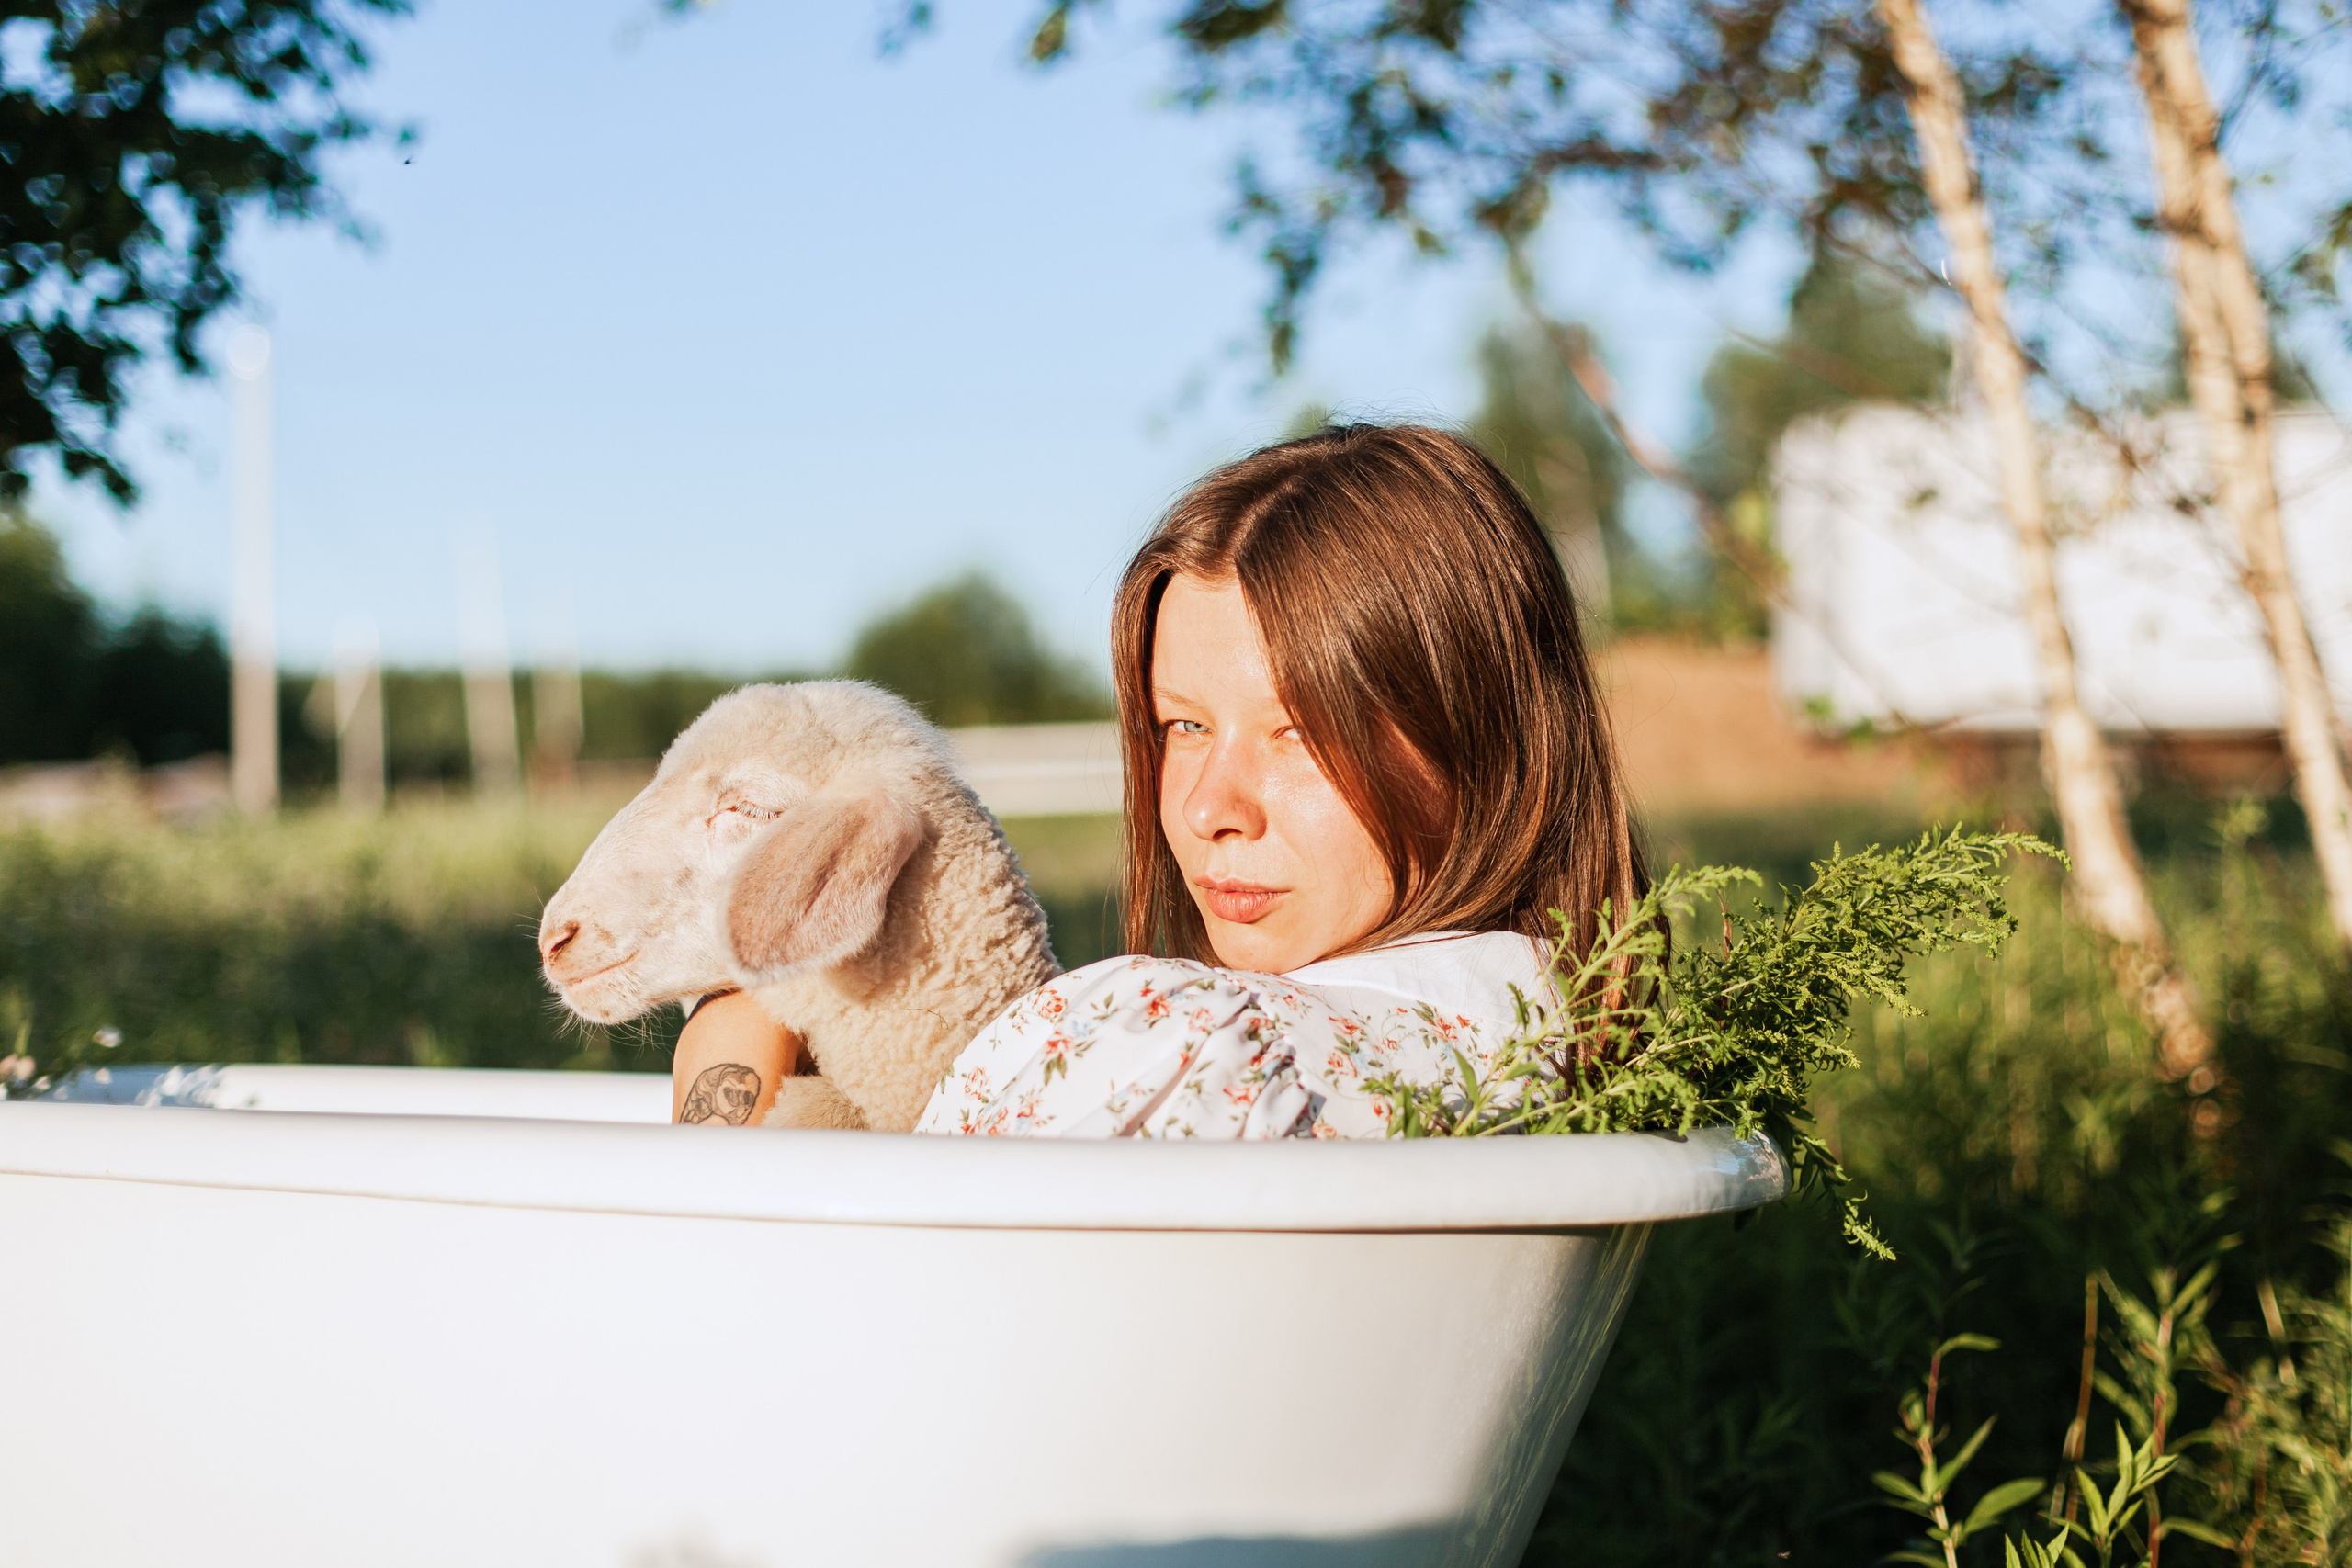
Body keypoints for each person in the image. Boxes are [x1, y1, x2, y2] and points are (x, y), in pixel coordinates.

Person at [673, 423, 1646, 1136]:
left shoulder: (1172, 1046)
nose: (1206, 808)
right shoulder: (1552, 1034)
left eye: (1300, 733)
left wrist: (733, 1029)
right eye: (1183, 726)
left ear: (1476, 736)